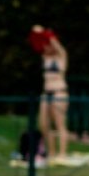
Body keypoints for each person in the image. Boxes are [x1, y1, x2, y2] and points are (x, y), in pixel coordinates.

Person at [30, 24, 69, 163]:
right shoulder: (45, 57)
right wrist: (37, 34)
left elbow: (57, 46)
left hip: (59, 92)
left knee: (60, 124)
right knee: (44, 124)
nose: (46, 47)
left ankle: (62, 153)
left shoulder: (61, 56)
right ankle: (51, 152)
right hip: (46, 93)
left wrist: (45, 33)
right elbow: (36, 43)